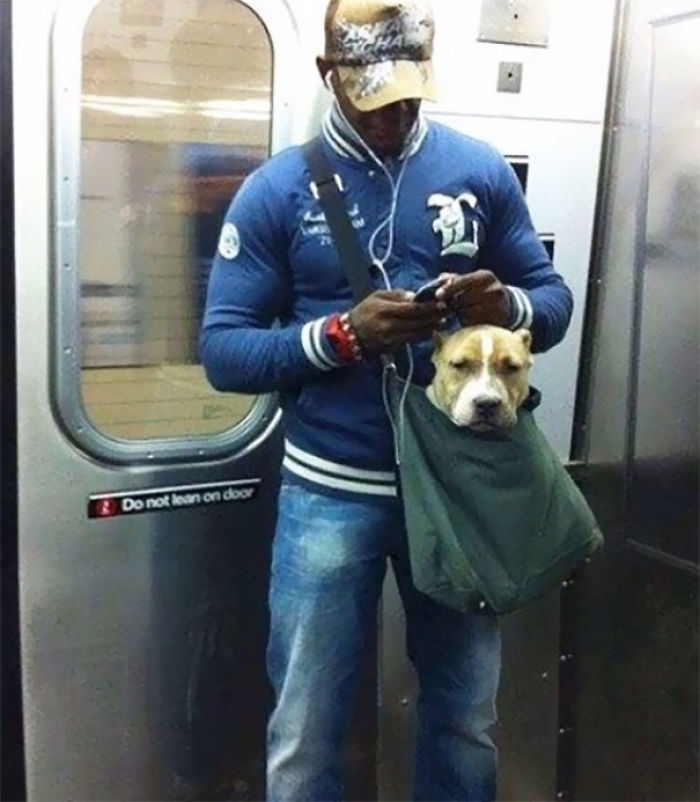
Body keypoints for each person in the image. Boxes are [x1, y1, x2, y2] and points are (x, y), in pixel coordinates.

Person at [200, 0, 573, 799]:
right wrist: (340, 336)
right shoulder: (278, 191)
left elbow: (554, 301)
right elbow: (223, 353)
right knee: (306, 726)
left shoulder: (477, 172)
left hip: (459, 491)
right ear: (328, 76)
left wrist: (502, 302)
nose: (395, 117)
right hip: (332, 492)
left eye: (410, 97)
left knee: (466, 714)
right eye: (373, 99)